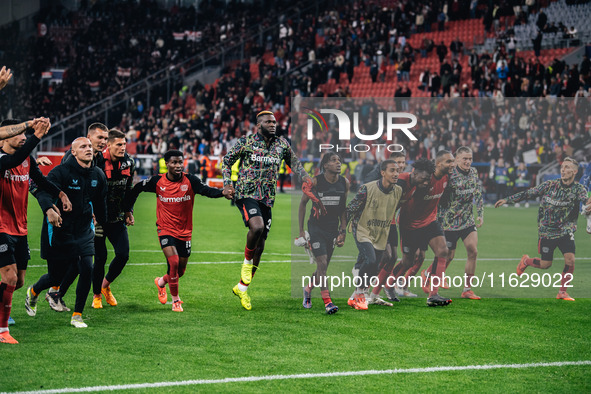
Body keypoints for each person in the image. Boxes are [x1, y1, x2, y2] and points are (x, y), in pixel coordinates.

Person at [222, 110, 310, 311]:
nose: (273, 125)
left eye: (274, 122)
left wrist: (306, 177)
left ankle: (242, 288)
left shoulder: (282, 144)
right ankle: (246, 262)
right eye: (268, 122)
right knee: (257, 227)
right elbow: (227, 161)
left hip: (267, 198)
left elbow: (294, 163)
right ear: (259, 124)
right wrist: (228, 184)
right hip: (246, 193)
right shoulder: (246, 142)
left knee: (260, 247)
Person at [124, 150, 232, 312]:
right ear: (166, 164)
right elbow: (137, 188)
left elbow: (207, 191)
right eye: (174, 162)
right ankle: (176, 301)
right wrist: (128, 210)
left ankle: (161, 282)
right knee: (173, 262)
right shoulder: (157, 181)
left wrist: (222, 193)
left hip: (185, 232)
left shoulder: (190, 180)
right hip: (165, 229)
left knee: (180, 271)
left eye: (180, 162)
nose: (178, 165)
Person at [0, 118, 70, 343]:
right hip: (1, 227)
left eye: (25, 134)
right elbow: (14, 160)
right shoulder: (2, 159)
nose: (23, 137)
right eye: (20, 134)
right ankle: (2, 331)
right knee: (9, 278)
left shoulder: (27, 160)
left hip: (20, 229)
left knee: (18, 282)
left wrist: (60, 194)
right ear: (6, 136)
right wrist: (36, 135)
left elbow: (39, 181)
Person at [25, 137, 107, 328]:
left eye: (89, 146)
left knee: (87, 267)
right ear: (73, 152)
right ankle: (34, 292)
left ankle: (77, 315)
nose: (88, 149)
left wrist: (102, 221)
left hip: (84, 230)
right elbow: (43, 191)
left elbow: (100, 202)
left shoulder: (98, 175)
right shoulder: (60, 172)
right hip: (60, 228)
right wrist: (49, 209)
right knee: (55, 276)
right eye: (83, 147)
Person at [495, 157, 590, 301]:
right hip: (546, 231)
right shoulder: (550, 185)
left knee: (570, 260)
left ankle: (562, 292)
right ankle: (526, 261)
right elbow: (529, 193)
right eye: (562, 167)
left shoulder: (578, 189)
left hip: (566, 230)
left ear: (575, 171)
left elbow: (586, 200)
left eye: (567, 167)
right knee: (546, 264)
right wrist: (508, 200)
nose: (563, 170)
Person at [391, 151, 455, 307]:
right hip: (410, 225)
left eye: (453, 161)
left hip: (430, 221)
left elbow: (443, 198)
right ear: (438, 164)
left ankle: (434, 295)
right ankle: (387, 282)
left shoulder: (447, 178)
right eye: (449, 162)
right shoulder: (424, 178)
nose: (452, 164)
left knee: (443, 251)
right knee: (408, 261)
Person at [345, 160, 402, 310]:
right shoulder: (367, 189)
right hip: (363, 228)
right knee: (370, 260)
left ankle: (354, 297)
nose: (396, 174)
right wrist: (341, 231)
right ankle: (359, 295)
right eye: (392, 170)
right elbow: (350, 209)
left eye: (397, 171)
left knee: (376, 265)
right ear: (383, 173)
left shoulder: (398, 191)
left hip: (381, 231)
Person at [90, 129, 135, 308]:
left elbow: (129, 188)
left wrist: (129, 210)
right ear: (108, 145)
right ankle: (96, 296)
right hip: (99, 219)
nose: (123, 147)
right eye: (119, 144)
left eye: (124, 144)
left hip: (117, 218)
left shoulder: (129, 162)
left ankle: (105, 286)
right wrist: (91, 213)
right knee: (100, 258)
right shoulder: (97, 161)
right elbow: (90, 189)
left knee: (123, 254)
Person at [299, 152, 349, 314]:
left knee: (324, 266)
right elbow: (302, 204)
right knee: (322, 263)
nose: (338, 163)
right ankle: (327, 301)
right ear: (325, 165)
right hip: (316, 228)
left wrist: (343, 231)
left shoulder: (345, 183)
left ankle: (307, 289)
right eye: (334, 160)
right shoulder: (315, 182)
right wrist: (301, 231)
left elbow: (343, 209)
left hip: (332, 229)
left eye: (339, 160)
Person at [437, 146, 484, 300]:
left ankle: (467, 289)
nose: (468, 161)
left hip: (467, 220)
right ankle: (432, 276)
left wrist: (480, 213)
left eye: (470, 159)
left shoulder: (474, 173)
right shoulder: (449, 175)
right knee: (449, 255)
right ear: (456, 159)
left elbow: (477, 192)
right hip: (450, 221)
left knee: (473, 251)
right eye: (465, 158)